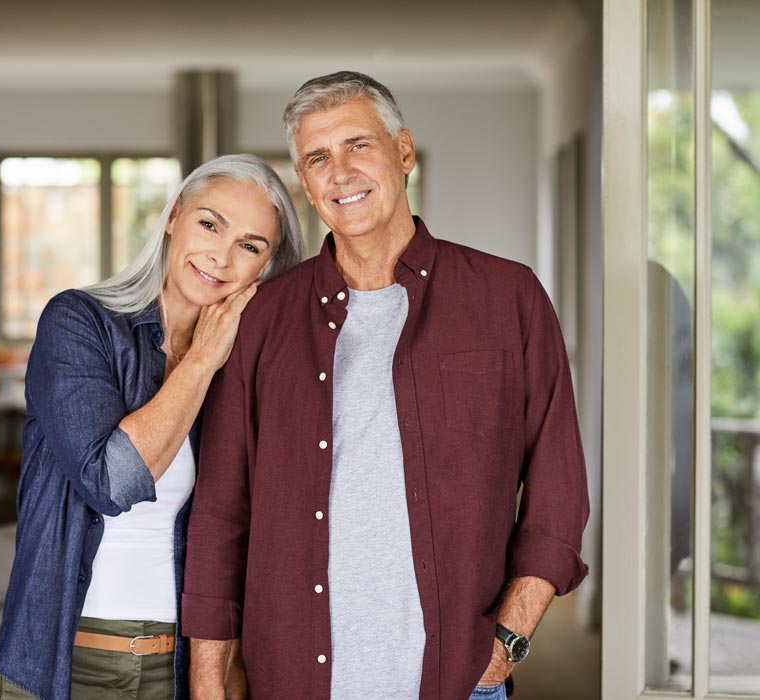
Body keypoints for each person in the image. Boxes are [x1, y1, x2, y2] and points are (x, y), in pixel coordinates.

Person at [182, 72, 589, 700]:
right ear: (305, 184)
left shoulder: (508, 297)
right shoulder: (260, 318)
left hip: (458, 680)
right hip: (291, 677)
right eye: (318, 157)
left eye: (358, 146)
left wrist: (508, 638)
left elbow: (558, 486)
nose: (340, 172)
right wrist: (210, 683)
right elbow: (220, 512)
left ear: (403, 152)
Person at [0, 154, 304, 700]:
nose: (220, 256)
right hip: (61, 663)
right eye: (210, 224)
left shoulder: (247, 370)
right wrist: (202, 360)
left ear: (266, 268)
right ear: (173, 215)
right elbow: (112, 481)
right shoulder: (78, 322)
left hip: (180, 668)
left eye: (250, 246)